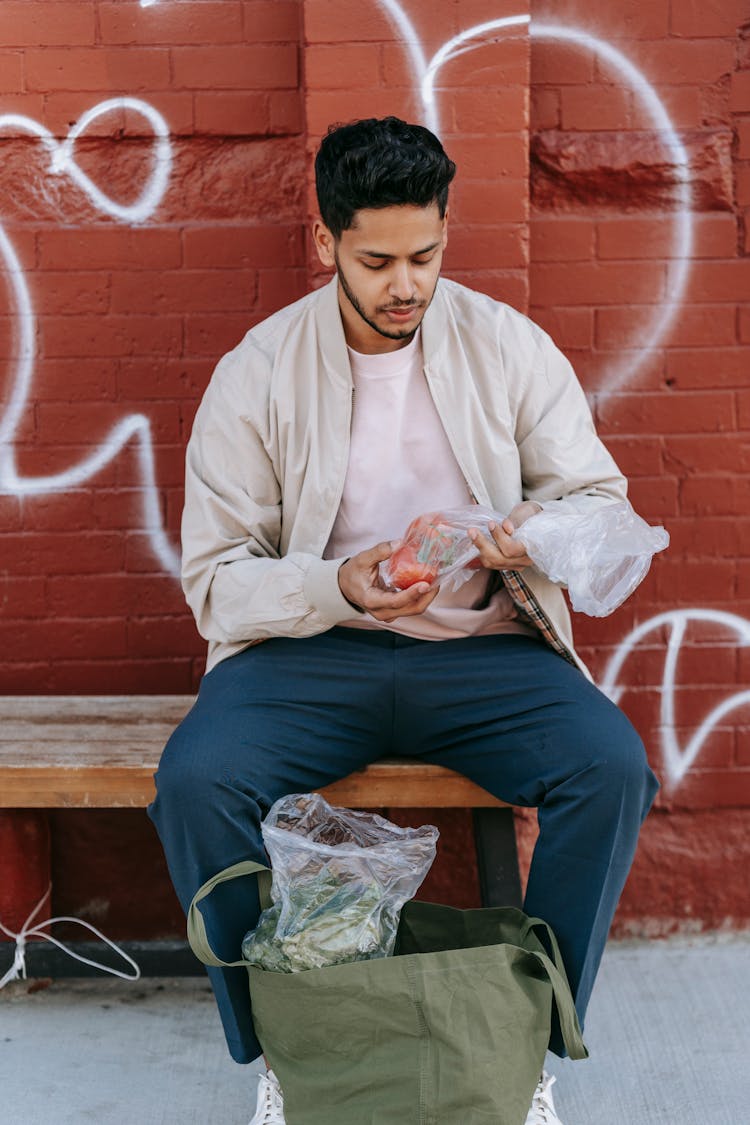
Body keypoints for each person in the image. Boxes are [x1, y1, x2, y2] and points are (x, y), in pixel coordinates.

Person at [148, 116, 660, 1125]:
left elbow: (602, 503)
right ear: (328, 240)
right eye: (377, 260)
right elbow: (217, 581)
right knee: (197, 782)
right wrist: (343, 584)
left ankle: (526, 1048)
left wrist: (536, 533)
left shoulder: (506, 345)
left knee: (610, 768)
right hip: (310, 653)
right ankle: (283, 1054)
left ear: (444, 232)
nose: (405, 285)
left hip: (483, 654)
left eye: (424, 255)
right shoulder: (259, 370)